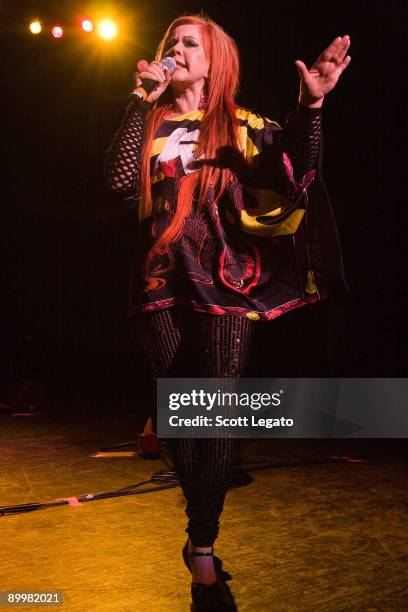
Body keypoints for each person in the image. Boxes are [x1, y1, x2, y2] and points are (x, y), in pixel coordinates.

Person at [105, 14, 351, 611]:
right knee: (183, 418)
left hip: (225, 283)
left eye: (191, 43)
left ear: (216, 59)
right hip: (159, 283)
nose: (177, 50)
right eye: (171, 43)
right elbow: (116, 181)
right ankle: (199, 521)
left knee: (212, 417)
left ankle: (203, 549)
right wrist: (141, 104)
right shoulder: (154, 119)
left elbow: (298, 172)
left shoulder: (242, 126)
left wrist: (310, 110)